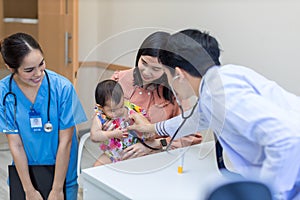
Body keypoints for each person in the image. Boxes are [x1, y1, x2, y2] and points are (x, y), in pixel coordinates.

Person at [127, 29, 300, 200]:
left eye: (166, 74)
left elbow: (288, 139)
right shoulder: (220, 82)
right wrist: (152, 128)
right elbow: (196, 119)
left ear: (178, 74)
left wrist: (266, 194)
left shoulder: (219, 95)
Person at [0, 32, 87, 199]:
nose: (38, 73)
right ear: (11, 68)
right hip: (26, 172)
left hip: (62, 172)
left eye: (41, 64)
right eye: (29, 70)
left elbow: (66, 141)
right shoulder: (4, 93)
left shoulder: (62, 88)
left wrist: (56, 189)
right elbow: (15, 144)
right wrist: (29, 191)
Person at [110, 31, 202, 160]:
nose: (147, 72)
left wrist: (155, 145)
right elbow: (102, 113)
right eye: (144, 63)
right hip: (118, 154)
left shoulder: (176, 92)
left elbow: (191, 137)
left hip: (158, 157)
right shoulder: (119, 79)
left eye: (156, 69)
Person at [90, 79, 149, 166]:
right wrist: (113, 134)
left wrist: (134, 122)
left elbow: (148, 128)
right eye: (113, 110)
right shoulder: (100, 116)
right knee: (96, 167)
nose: (118, 112)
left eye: (121, 106)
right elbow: (94, 136)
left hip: (135, 151)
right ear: (101, 108)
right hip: (112, 154)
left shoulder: (132, 110)